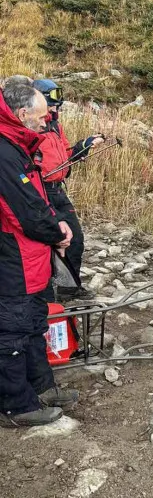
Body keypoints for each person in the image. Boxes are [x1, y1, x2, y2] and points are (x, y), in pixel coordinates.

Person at [0, 82, 80, 428]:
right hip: (11, 259)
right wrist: (57, 232)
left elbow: (37, 200)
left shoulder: (17, 145)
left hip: (29, 257)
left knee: (33, 323)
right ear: (21, 115)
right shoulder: (4, 152)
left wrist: (55, 226)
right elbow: (25, 212)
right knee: (13, 331)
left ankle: (41, 389)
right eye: (41, 114)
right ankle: (16, 406)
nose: (47, 119)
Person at [33, 77, 105, 299]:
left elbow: (65, 155)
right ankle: (45, 289)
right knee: (49, 240)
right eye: (51, 104)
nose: (55, 109)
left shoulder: (55, 125)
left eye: (56, 105)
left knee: (75, 238)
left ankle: (69, 287)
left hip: (58, 189)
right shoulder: (31, 126)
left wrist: (83, 146)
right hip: (40, 190)